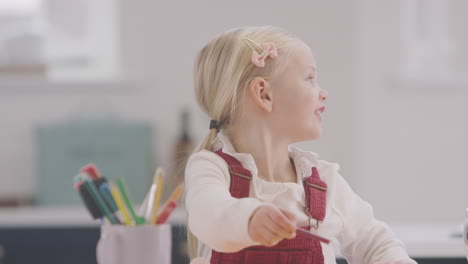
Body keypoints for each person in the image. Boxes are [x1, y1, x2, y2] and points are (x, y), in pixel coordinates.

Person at [185, 26, 417, 264]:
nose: (323, 93)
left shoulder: (325, 181)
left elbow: (375, 243)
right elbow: (207, 213)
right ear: (264, 94)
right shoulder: (211, 167)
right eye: (309, 78)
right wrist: (249, 219)